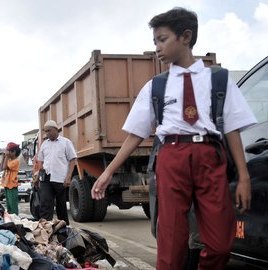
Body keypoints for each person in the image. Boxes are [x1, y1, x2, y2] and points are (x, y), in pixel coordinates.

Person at [90, 7, 256, 270]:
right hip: (171, 157)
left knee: (220, 243)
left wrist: (244, 177)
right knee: (171, 241)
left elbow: (232, 129)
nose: (157, 47)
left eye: (162, 39)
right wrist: (109, 171)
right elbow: (135, 134)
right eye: (154, 41)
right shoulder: (156, 86)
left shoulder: (220, 80)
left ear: (186, 37)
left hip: (210, 157)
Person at [34, 120, 77, 225]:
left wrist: (68, 177)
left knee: (61, 206)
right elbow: (41, 161)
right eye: (45, 131)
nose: (47, 133)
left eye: (49, 130)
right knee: (45, 204)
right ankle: (45, 229)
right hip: (46, 178)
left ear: (56, 130)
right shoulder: (44, 144)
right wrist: (37, 176)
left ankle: (63, 229)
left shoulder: (66, 142)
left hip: (60, 178)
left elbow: (72, 160)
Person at [0, 142, 21, 215]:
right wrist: (3, 157)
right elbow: (2, 168)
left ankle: (15, 220)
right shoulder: (9, 160)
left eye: (8, 151)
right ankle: (11, 220)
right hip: (7, 185)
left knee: (13, 205)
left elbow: (5, 167)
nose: (7, 153)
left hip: (12, 185)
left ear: (14, 152)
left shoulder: (16, 161)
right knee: (8, 206)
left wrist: (6, 157)